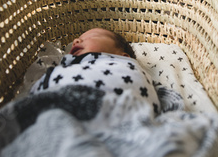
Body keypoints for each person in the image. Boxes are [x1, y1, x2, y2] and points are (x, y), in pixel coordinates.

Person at [30, 28, 160, 115]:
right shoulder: (66, 68)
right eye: (77, 39)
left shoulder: (123, 66)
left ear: (123, 57)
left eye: (92, 36)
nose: (76, 41)